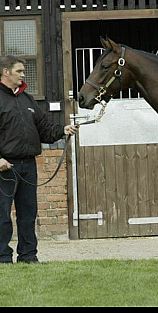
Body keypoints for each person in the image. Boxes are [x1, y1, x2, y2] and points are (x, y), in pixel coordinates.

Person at [0, 55, 78, 264]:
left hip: (28, 166)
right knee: (2, 215)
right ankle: (2, 258)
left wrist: (62, 130)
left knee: (28, 214)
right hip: (4, 167)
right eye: (19, 71)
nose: (23, 75)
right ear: (5, 72)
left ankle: (28, 256)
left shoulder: (27, 99)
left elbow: (44, 129)